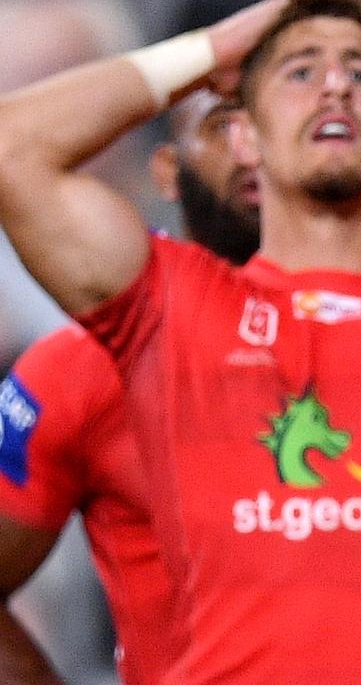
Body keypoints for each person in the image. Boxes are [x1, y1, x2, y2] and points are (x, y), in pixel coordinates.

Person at [0, 0, 361, 683]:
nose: (334, 86)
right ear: (244, 136)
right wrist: (210, 53)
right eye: (300, 72)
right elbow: (12, 149)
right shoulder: (161, 312)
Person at [0, 89, 255, 685]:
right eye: (225, 125)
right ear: (168, 170)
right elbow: (15, 150)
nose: (257, 148)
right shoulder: (79, 369)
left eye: (273, 124)